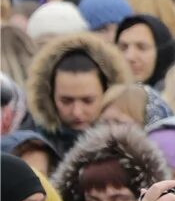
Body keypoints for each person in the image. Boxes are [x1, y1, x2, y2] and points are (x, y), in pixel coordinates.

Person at [25, 28, 129, 156]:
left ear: (109, 93)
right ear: (49, 97)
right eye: (66, 101)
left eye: (88, 101)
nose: (77, 112)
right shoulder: (29, 147)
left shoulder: (131, 144)